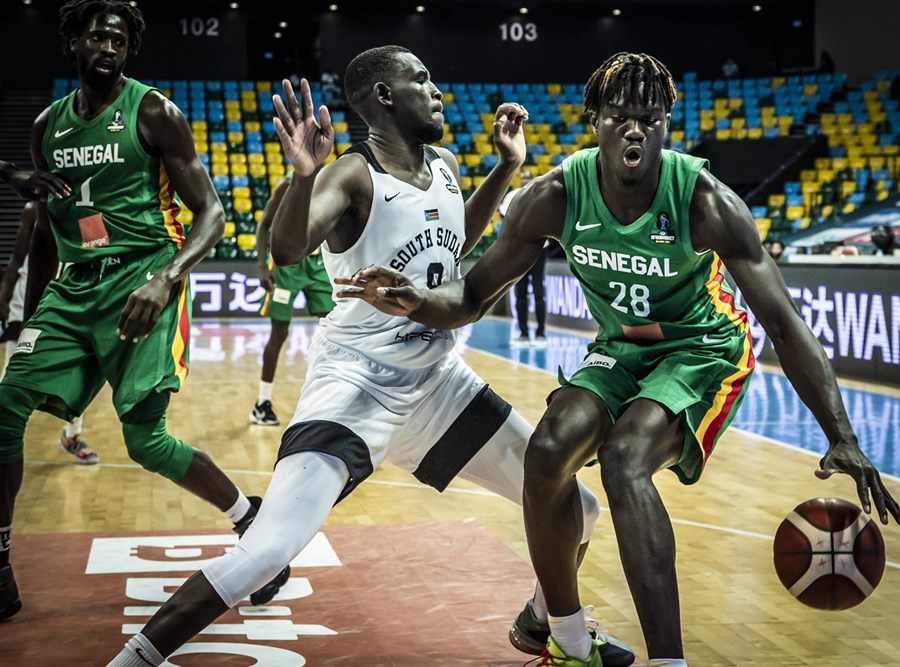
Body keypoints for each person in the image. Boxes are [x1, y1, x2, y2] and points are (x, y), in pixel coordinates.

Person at [337, 51, 900, 667]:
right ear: (595, 121)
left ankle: (669, 660)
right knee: (548, 450)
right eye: (619, 117)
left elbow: (786, 326)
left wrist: (840, 435)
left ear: (665, 124)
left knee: (624, 458)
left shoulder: (705, 200)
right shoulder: (555, 195)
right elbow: (473, 294)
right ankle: (556, 626)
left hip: (701, 349)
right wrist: (416, 299)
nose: (635, 129)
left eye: (650, 118)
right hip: (620, 347)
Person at [106, 47, 634, 667]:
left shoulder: (441, 163)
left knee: (578, 506)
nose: (437, 90)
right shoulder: (352, 174)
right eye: (422, 79)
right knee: (269, 549)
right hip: (357, 384)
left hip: (437, 383)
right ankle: (135, 659)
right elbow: (290, 246)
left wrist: (505, 169)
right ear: (384, 96)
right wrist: (305, 176)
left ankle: (541, 625)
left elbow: (453, 240)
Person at [0, 0, 285, 623]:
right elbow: (50, 228)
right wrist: (29, 311)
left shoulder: (153, 110)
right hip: (73, 288)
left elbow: (212, 212)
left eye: (120, 41)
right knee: (3, 406)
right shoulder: (47, 125)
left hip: (143, 278)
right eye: (98, 37)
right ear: (73, 43)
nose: (109, 47)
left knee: (145, 443)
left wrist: (167, 279)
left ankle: (252, 523)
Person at [0, 202, 97, 463]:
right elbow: (18, 257)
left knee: (77, 374)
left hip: (67, 302)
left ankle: (72, 437)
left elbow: (95, 250)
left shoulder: (91, 206)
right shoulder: (34, 209)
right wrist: (4, 296)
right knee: (11, 378)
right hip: (27, 301)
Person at [250, 175, 334, 426]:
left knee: (333, 330)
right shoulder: (286, 186)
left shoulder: (331, 182)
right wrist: (262, 267)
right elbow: (264, 224)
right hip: (286, 265)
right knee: (279, 332)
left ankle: (329, 401)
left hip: (317, 264)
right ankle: (262, 404)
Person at [502, 169, 548, 348]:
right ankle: (523, 333)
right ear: (520, 181)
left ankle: (541, 333)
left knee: (538, 292)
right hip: (518, 250)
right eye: (524, 179)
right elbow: (505, 219)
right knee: (520, 293)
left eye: (529, 179)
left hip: (539, 249)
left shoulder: (544, 197)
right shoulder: (512, 197)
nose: (526, 182)